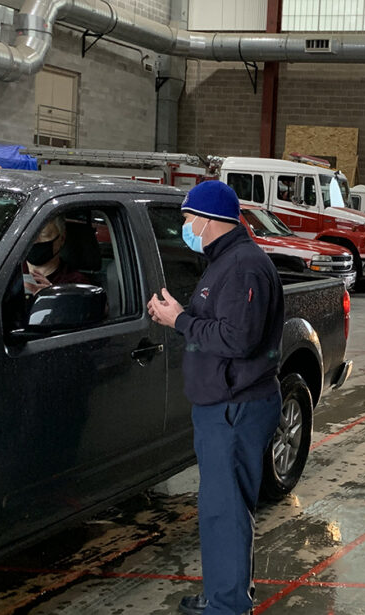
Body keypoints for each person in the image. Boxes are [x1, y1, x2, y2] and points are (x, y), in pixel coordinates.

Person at [147, 181, 284, 615]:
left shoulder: (242, 266)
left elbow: (237, 338)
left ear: (208, 221)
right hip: (224, 406)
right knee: (220, 509)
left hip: (235, 408)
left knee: (225, 512)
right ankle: (224, 594)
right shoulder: (226, 260)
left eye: (188, 220)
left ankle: (227, 607)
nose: (186, 227)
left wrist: (180, 320)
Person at [24, 216, 88, 293]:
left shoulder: (76, 282)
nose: (35, 241)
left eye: (44, 235)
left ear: (62, 238)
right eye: (29, 235)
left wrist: (53, 298)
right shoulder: (10, 271)